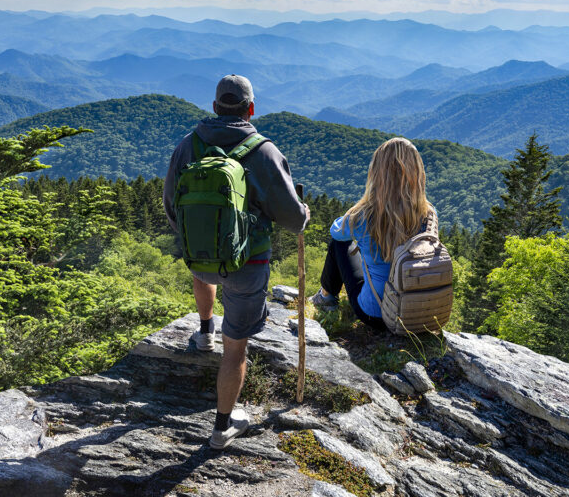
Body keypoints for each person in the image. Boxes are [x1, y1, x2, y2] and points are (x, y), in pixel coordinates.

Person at [163, 74, 308, 449]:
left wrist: (197, 237)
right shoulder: (264, 152)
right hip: (248, 265)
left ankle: (204, 330)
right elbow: (293, 220)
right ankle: (222, 427)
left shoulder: (188, 146)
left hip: (199, 259)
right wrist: (304, 211)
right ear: (251, 108)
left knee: (205, 268)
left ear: (214, 107)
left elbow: (171, 205)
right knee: (237, 348)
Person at [310, 137, 433, 330]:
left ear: (377, 173)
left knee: (339, 244)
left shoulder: (365, 215)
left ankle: (326, 297)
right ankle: (326, 296)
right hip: (417, 314)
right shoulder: (428, 214)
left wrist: (357, 208)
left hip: (375, 314)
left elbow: (336, 232)